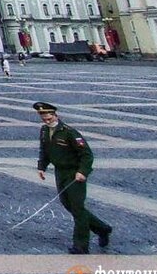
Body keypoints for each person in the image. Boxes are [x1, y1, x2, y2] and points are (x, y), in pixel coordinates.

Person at [33, 101, 113, 255]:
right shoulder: (44, 131)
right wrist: (41, 167)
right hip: (60, 173)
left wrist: (83, 172)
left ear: (55, 115)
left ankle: (81, 246)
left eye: (48, 116)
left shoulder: (69, 132)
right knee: (68, 205)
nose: (46, 119)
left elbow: (87, 155)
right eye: (43, 117)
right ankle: (103, 229)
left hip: (74, 173)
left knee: (77, 208)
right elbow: (45, 150)